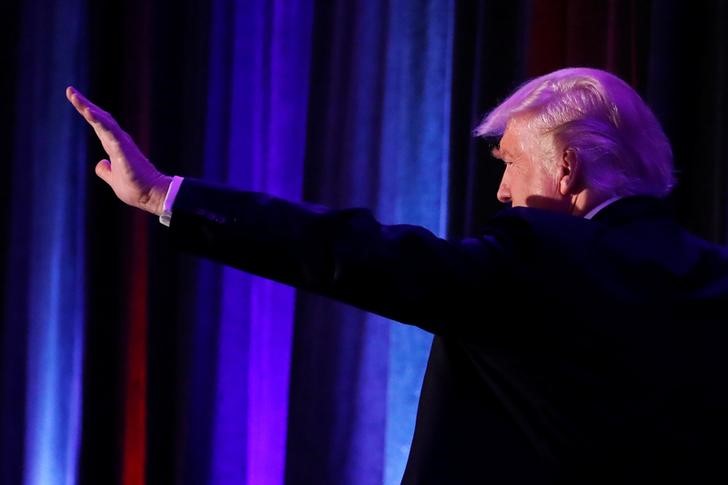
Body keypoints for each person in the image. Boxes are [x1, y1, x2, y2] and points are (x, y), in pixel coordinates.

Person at [67, 67, 728, 484]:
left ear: (568, 169)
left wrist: (166, 197)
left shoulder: (544, 256)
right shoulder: (713, 277)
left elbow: (354, 252)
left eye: (510, 163)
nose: (501, 191)